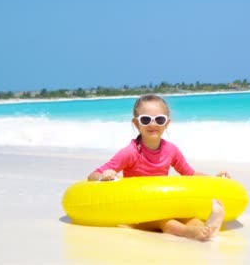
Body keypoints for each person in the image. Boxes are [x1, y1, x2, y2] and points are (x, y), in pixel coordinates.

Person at [87, 94, 229, 241]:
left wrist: (214, 179)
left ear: (167, 123)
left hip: (161, 204)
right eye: (146, 119)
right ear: (136, 124)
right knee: (165, 221)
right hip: (137, 209)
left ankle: (206, 228)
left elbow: (190, 173)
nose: (153, 124)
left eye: (159, 119)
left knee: (188, 217)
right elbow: (93, 175)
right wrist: (106, 176)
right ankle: (190, 233)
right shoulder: (130, 152)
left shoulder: (171, 150)